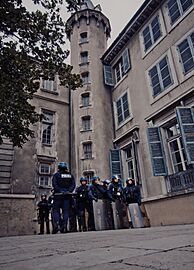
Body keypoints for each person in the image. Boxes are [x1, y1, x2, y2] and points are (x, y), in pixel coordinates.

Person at [52, 162, 76, 234]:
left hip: (58, 195)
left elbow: (54, 184)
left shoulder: (56, 175)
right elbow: (73, 185)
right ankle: (64, 226)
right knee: (65, 211)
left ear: (59, 168)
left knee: (56, 210)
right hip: (67, 195)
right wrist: (68, 191)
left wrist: (60, 190)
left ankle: (57, 224)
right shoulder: (70, 175)